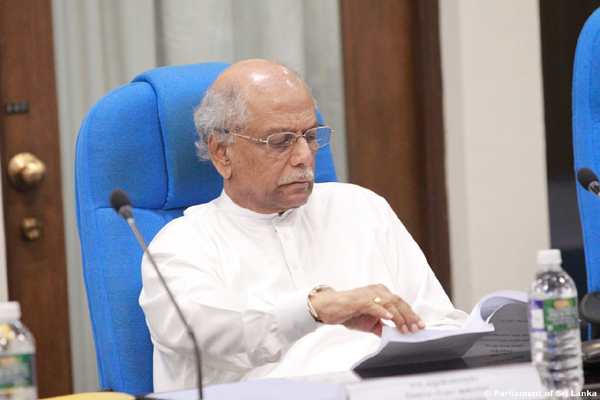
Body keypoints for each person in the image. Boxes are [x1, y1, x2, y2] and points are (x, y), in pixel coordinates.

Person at [139, 59, 467, 392]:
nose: (305, 156)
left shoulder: (361, 208)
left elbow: (438, 323)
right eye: (280, 141)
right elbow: (199, 326)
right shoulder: (181, 243)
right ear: (222, 152)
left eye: (310, 136)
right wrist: (313, 308)